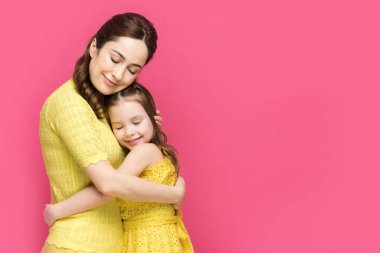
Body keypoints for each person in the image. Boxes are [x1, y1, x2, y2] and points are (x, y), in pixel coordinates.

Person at [40, 13, 185, 253]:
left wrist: (145, 131)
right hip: (77, 244)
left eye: (132, 69)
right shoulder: (68, 103)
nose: (118, 75)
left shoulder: (105, 110)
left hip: (117, 244)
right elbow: (108, 182)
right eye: (115, 59)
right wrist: (174, 193)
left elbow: (128, 169)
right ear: (95, 45)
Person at [44, 82, 194, 253]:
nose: (129, 132)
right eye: (119, 127)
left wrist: (58, 210)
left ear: (154, 117)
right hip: (159, 237)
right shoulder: (153, 151)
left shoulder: (144, 152)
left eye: (136, 122)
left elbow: (108, 188)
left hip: (148, 241)